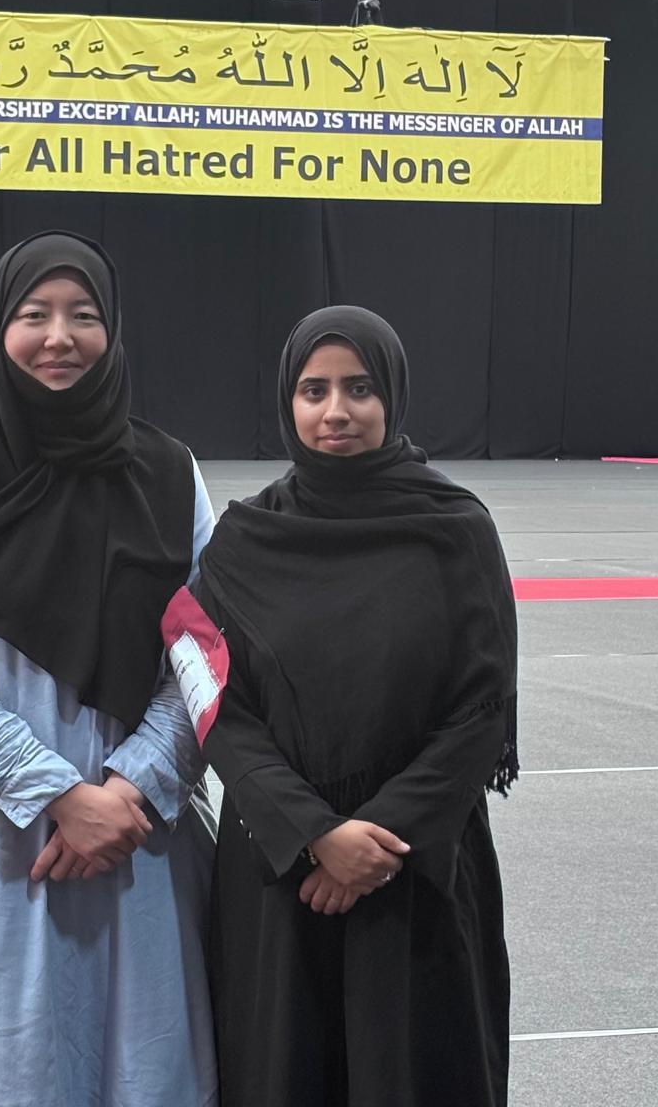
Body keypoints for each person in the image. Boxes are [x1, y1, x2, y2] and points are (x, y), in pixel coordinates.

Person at [0, 232, 217, 1107]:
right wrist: (59, 797)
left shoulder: (169, 476)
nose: (58, 336)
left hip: (136, 828)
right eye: (33, 315)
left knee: (144, 1051)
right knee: (4, 1053)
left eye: (83, 316)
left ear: (115, 334)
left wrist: (130, 789)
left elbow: (202, 655)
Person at [194, 305, 518, 1107]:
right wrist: (312, 836)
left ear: (392, 397)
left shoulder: (455, 530)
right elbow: (214, 705)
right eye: (313, 390)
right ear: (287, 402)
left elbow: (483, 707)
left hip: (412, 874)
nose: (335, 411)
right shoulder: (241, 542)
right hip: (279, 878)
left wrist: (375, 842)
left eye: (359, 389)